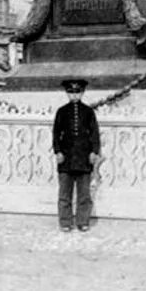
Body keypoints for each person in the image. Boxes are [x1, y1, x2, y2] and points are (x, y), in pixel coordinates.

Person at [52, 78, 101, 232]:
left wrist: (94, 151)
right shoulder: (61, 111)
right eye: (71, 93)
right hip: (66, 158)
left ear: (83, 93)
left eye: (77, 92)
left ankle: (82, 221)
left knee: (84, 194)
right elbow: (56, 133)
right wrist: (58, 151)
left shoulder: (88, 112)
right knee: (64, 194)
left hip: (83, 157)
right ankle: (65, 222)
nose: (74, 96)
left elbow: (94, 133)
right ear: (67, 93)